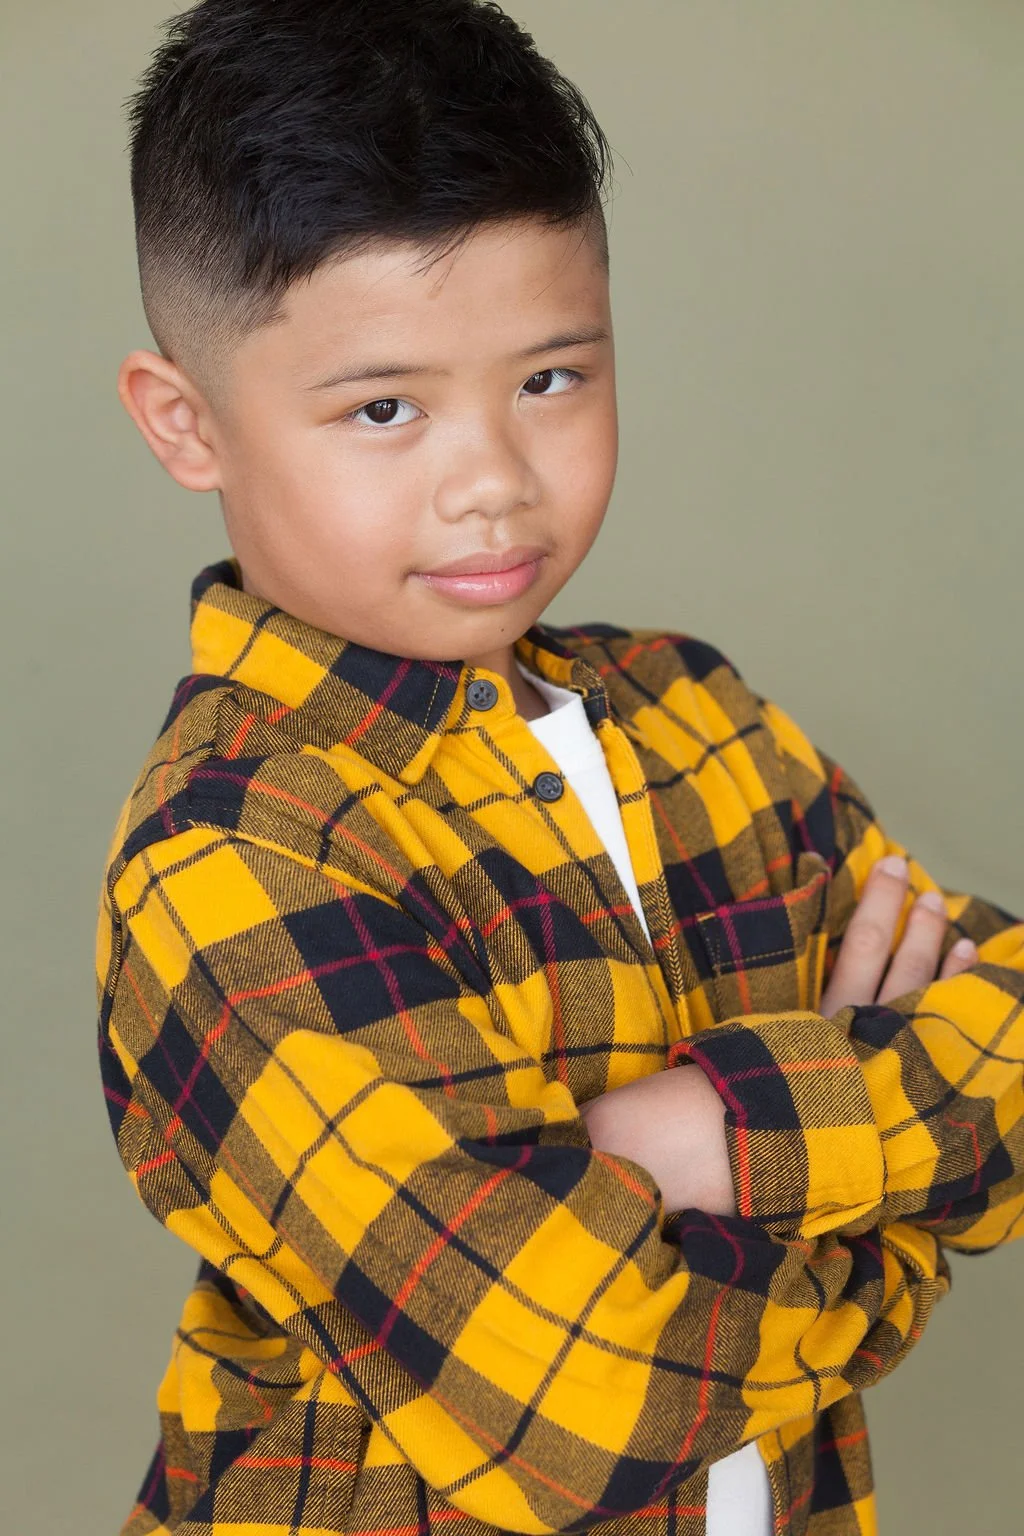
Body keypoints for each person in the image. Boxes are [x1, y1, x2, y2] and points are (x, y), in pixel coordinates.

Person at [95, 2, 1024, 1533]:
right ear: (186, 423)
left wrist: (700, 1137)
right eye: (384, 408)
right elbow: (586, 1406)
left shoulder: (694, 713)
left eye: (552, 380)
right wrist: (877, 1177)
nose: (495, 485)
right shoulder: (235, 858)